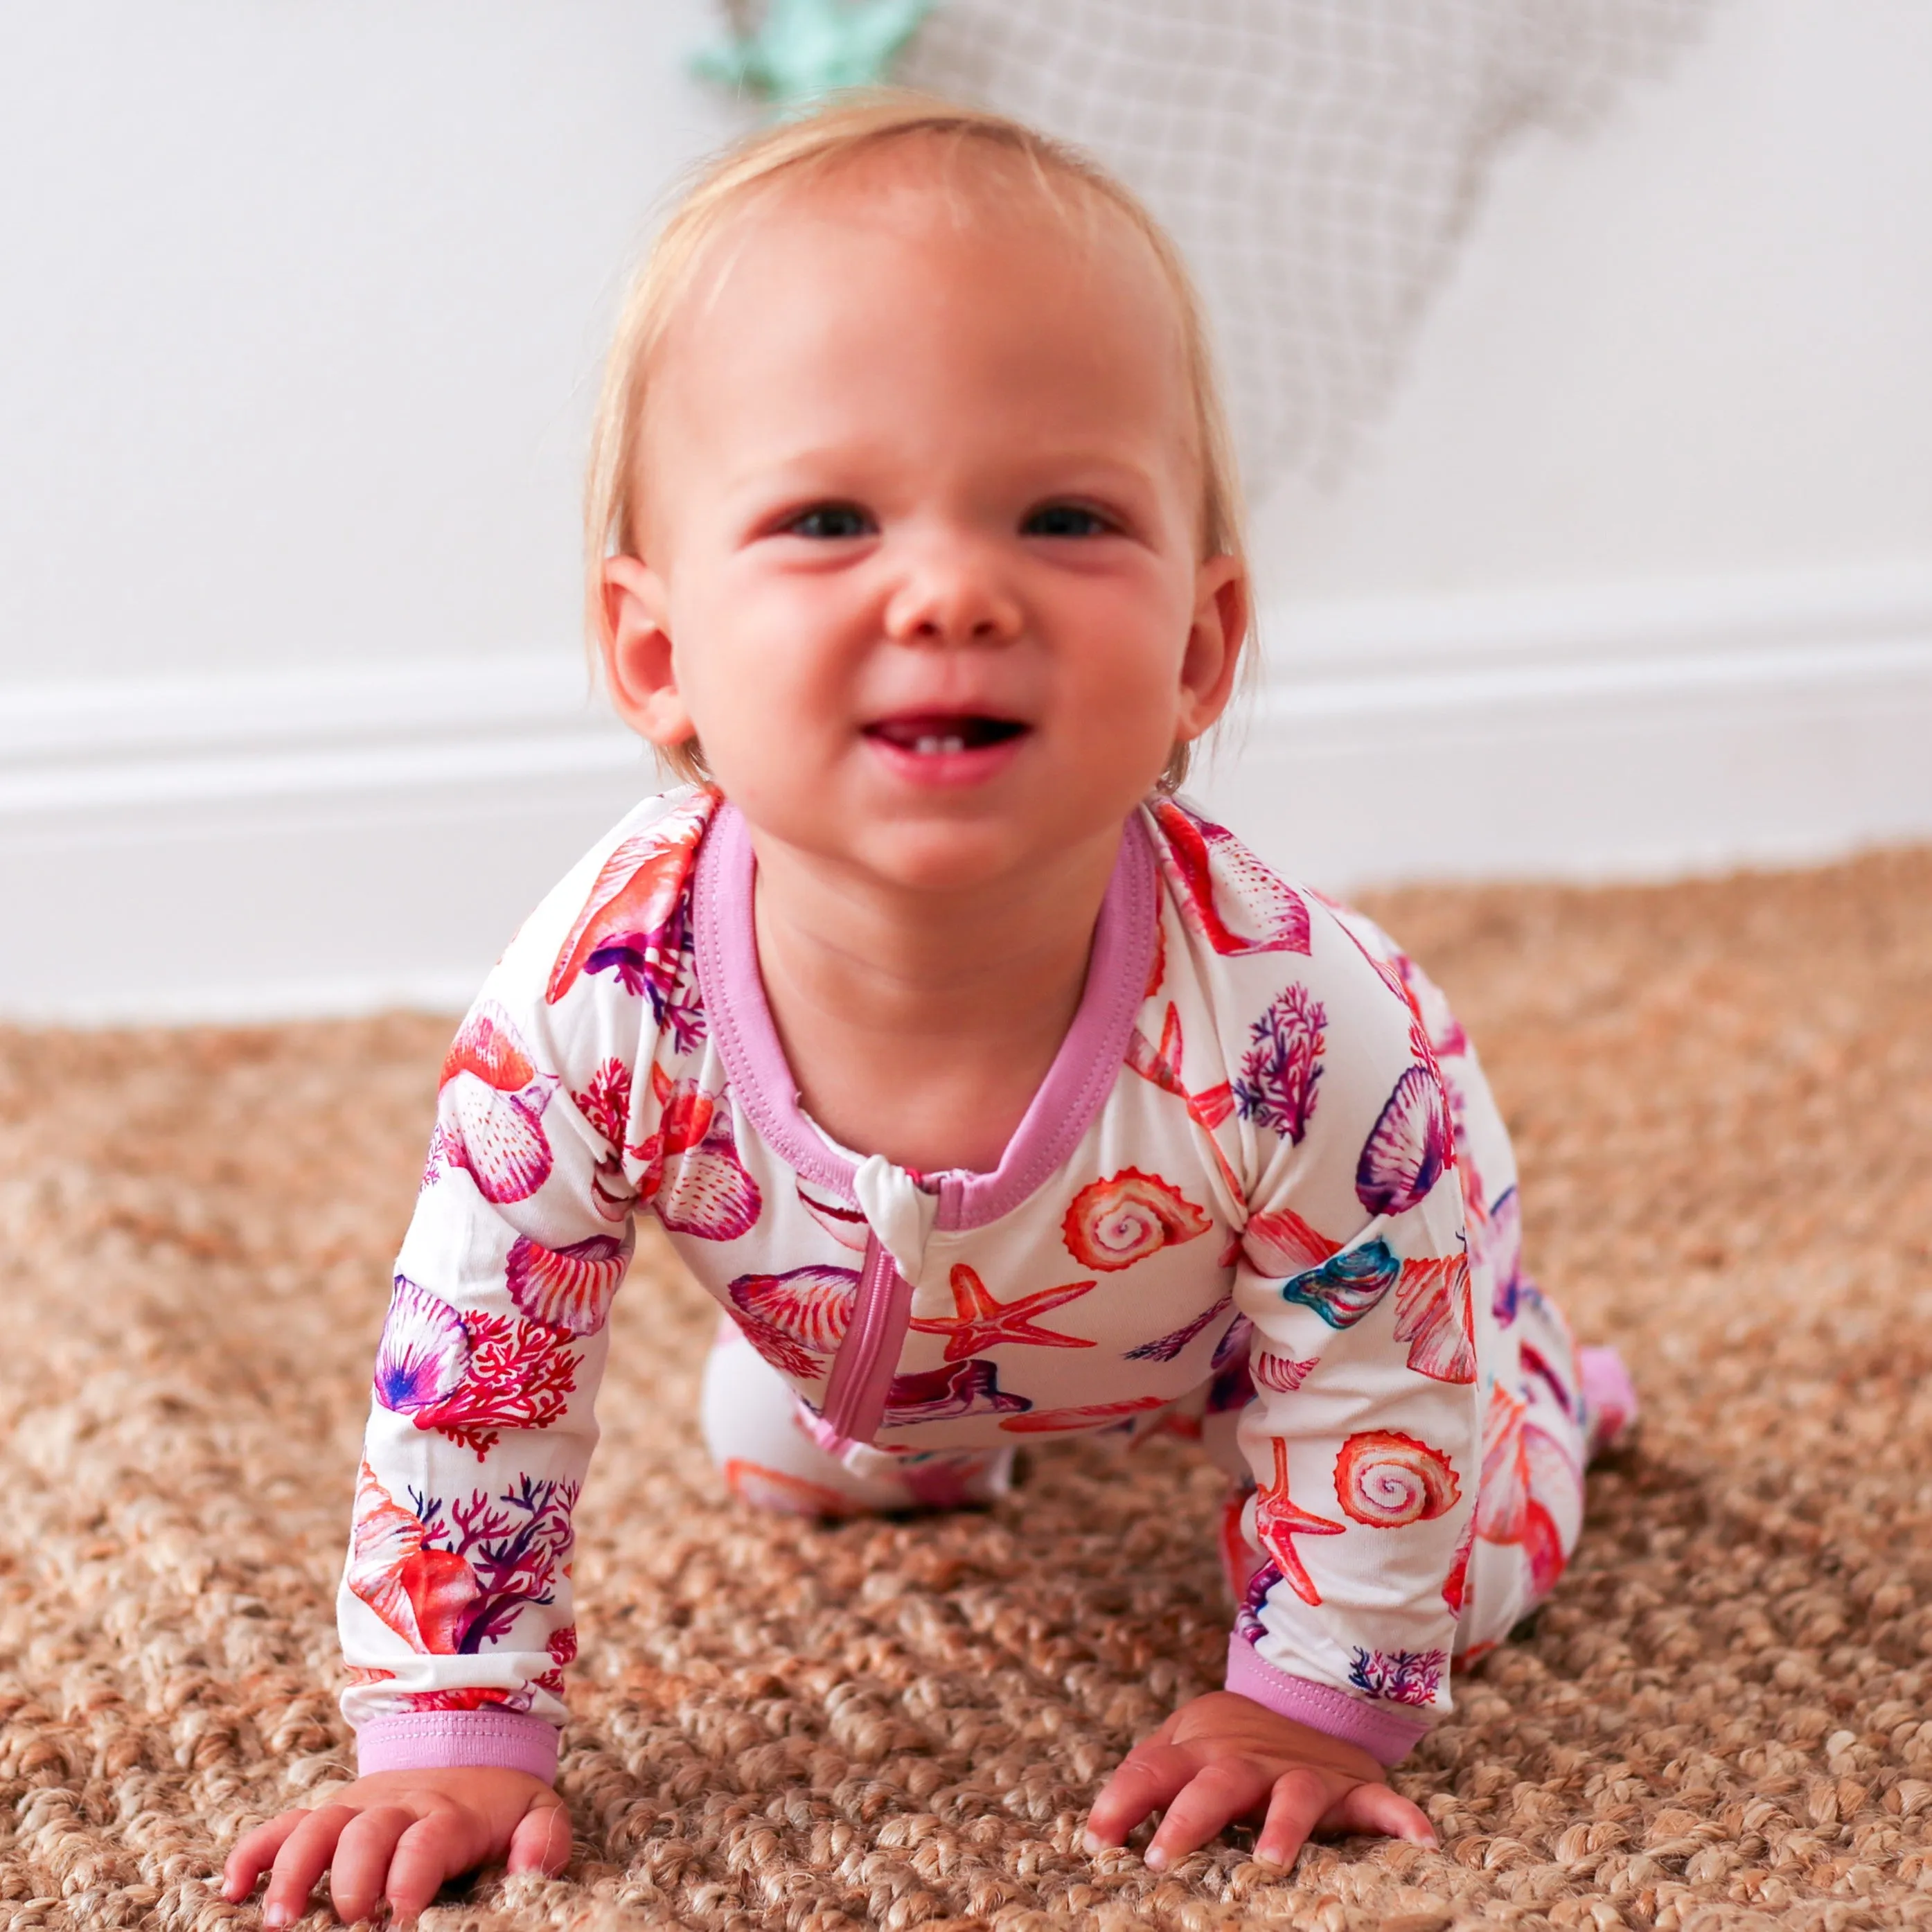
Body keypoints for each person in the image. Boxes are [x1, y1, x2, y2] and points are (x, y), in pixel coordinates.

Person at [224, 95, 1634, 1928]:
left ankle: (1549, 1393)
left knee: (1437, 1562)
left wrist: (1309, 1696)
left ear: (1202, 647)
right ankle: (930, 1408)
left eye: (1063, 516)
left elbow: (1373, 1358)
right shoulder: (598, 990)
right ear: (656, 655)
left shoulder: (1302, 1027)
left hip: (1268, 1322)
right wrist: (451, 1721)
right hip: (875, 1330)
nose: (953, 589)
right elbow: (477, 1367)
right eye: (827, 518)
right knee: (778, 1438)